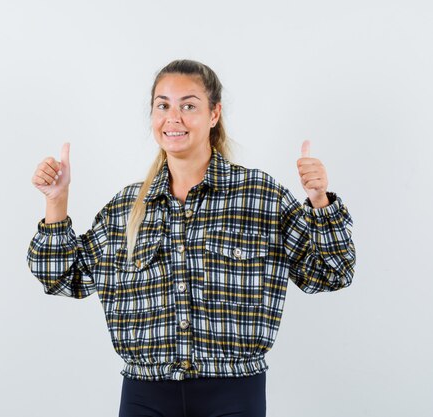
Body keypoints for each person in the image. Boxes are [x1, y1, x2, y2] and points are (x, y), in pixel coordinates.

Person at [27, 59, 356, 417]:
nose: (174, 117)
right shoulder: (125, 208)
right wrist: (56, 200)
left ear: (214, 113)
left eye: (188, 105)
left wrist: (320, 201)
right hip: (144, 396)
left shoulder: (259, 196)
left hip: (234, 394)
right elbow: (62, 276)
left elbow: (331, 273)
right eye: (163, 105)